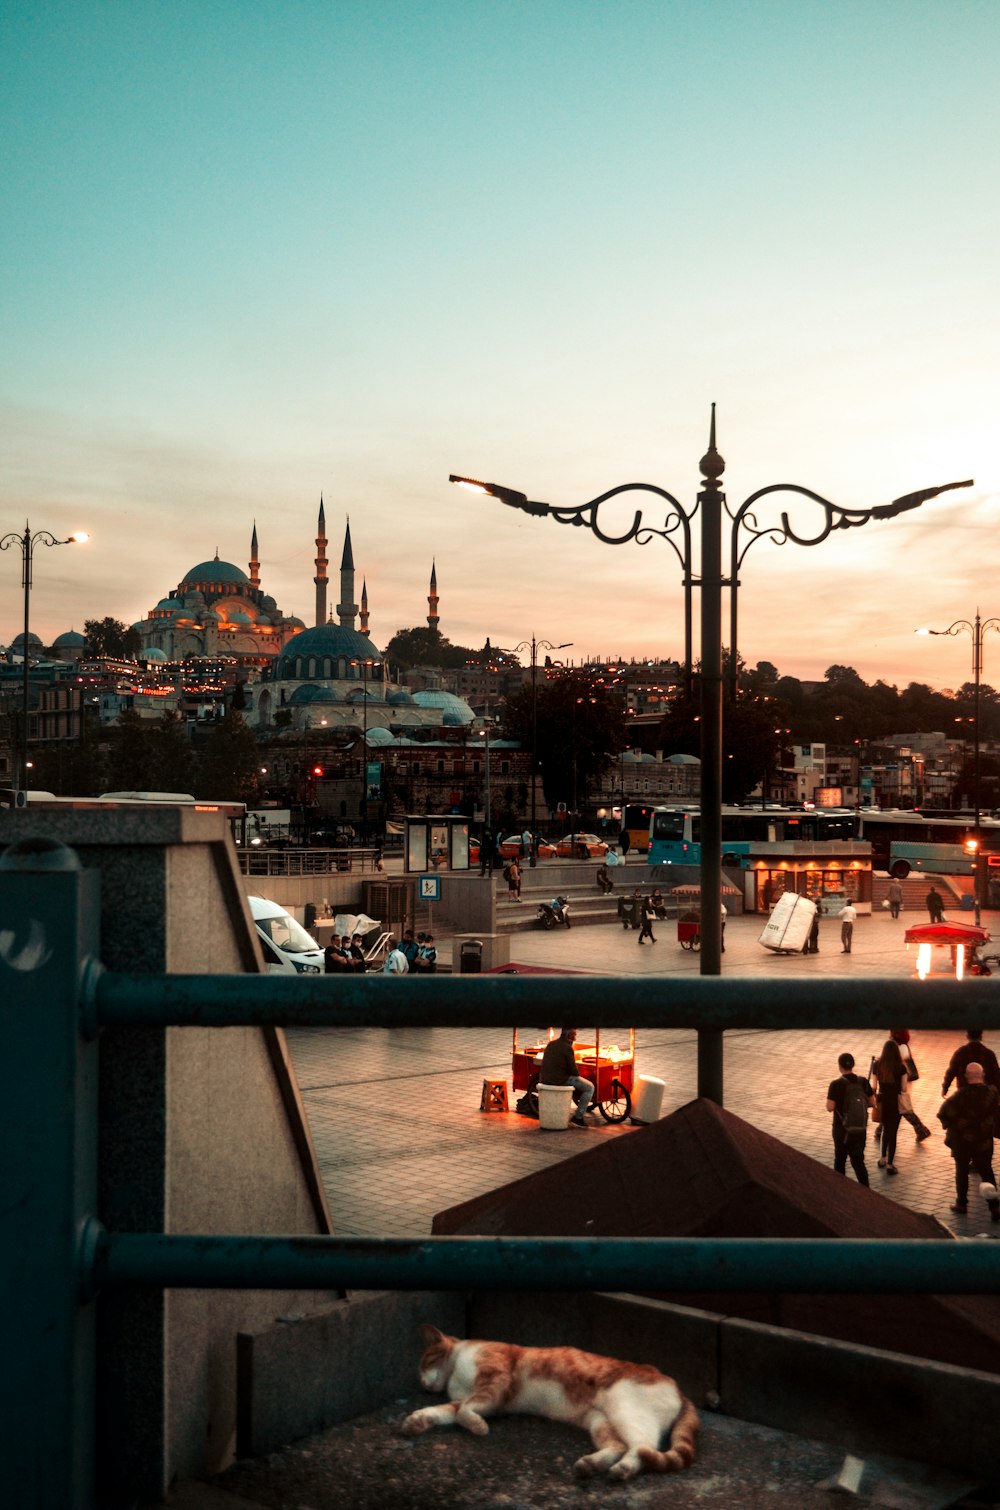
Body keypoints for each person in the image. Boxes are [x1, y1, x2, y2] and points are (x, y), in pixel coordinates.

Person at [937, 1061, 1000, 1219]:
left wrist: (957, 1125)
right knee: (986, 1171)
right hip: (984, 1141)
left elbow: (943, 1113)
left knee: (962, 1170)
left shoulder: (960, 1095)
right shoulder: (992, 1093)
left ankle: (962, 1203)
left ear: (966, 1077)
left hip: (962, 1141)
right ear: (982, 1075)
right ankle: (994, 1207)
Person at [826, 1052, 875, 1185]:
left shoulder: (835, 1084)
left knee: (840, 1160)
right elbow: (872, 1103)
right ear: (853, 1065)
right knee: (858, 1161)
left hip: (841, 1128)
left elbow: (830, 1107)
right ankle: (866, 1191)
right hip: (859, 1128)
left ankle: (840, 1190)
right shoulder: (863, 1081)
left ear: (840, 1066)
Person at [539, 1027, 598, 1127]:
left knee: (579, 1081)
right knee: (590, 1087)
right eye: (574, 1036)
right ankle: (578, 1117)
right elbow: (574, 1071)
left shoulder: (551, 1044)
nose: (575, 1039)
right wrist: (580, 1074)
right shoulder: (567, 1048)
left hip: (545, 1077)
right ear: (569, 1036)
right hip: (560, 1079)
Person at [871, 1035, 908, 1175]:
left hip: (882, 1101)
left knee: (885, 1130)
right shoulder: (901, 1067)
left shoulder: (877, 1065)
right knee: (893, 1133)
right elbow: (904, 1089)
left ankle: (882, 1158)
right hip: (895, 1102)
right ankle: (890, 1165)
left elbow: (874, 1086)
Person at [890, 1028, 931, 1141]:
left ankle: (922, 1130)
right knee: (898, 1108)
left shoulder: (901, 1048)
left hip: (902, 1084)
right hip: (899, 1083)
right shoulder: (899, 1047)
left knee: (902, 1108)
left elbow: (905, 1067)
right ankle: (921, 1130)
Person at [942, 1028, 1000, 1095]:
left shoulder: (960, 1053)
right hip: (985, 1095)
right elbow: (996, 1075)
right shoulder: (989, 1054)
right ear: (981, 1037)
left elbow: (951, 1072)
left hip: (964, 1093)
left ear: (967, 1036)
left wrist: (945, 1088)